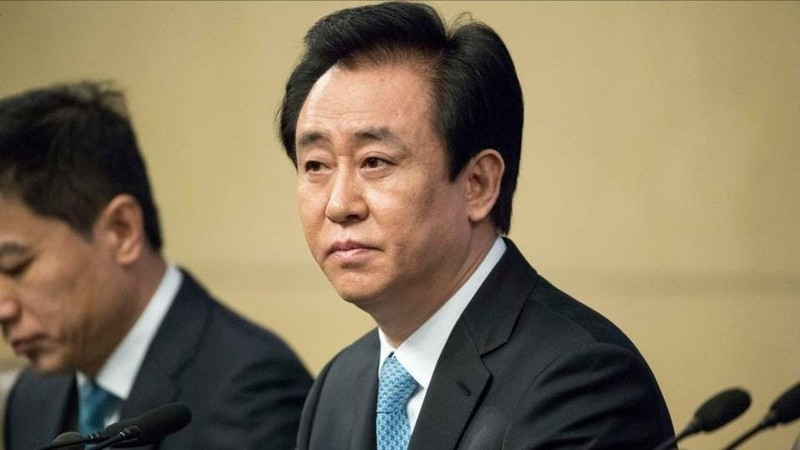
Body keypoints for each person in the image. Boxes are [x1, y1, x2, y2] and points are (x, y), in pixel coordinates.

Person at [278, 2, 675, 449]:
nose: (338, 205)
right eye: (316, 165)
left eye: (374, 161)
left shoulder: (582, 383)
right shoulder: (338, 388)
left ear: (478, 184)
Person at [0, 82, 312, 449]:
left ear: (122, 231)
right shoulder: (32, 397)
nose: (4, 308)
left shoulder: (253, 395)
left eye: (16, 267)